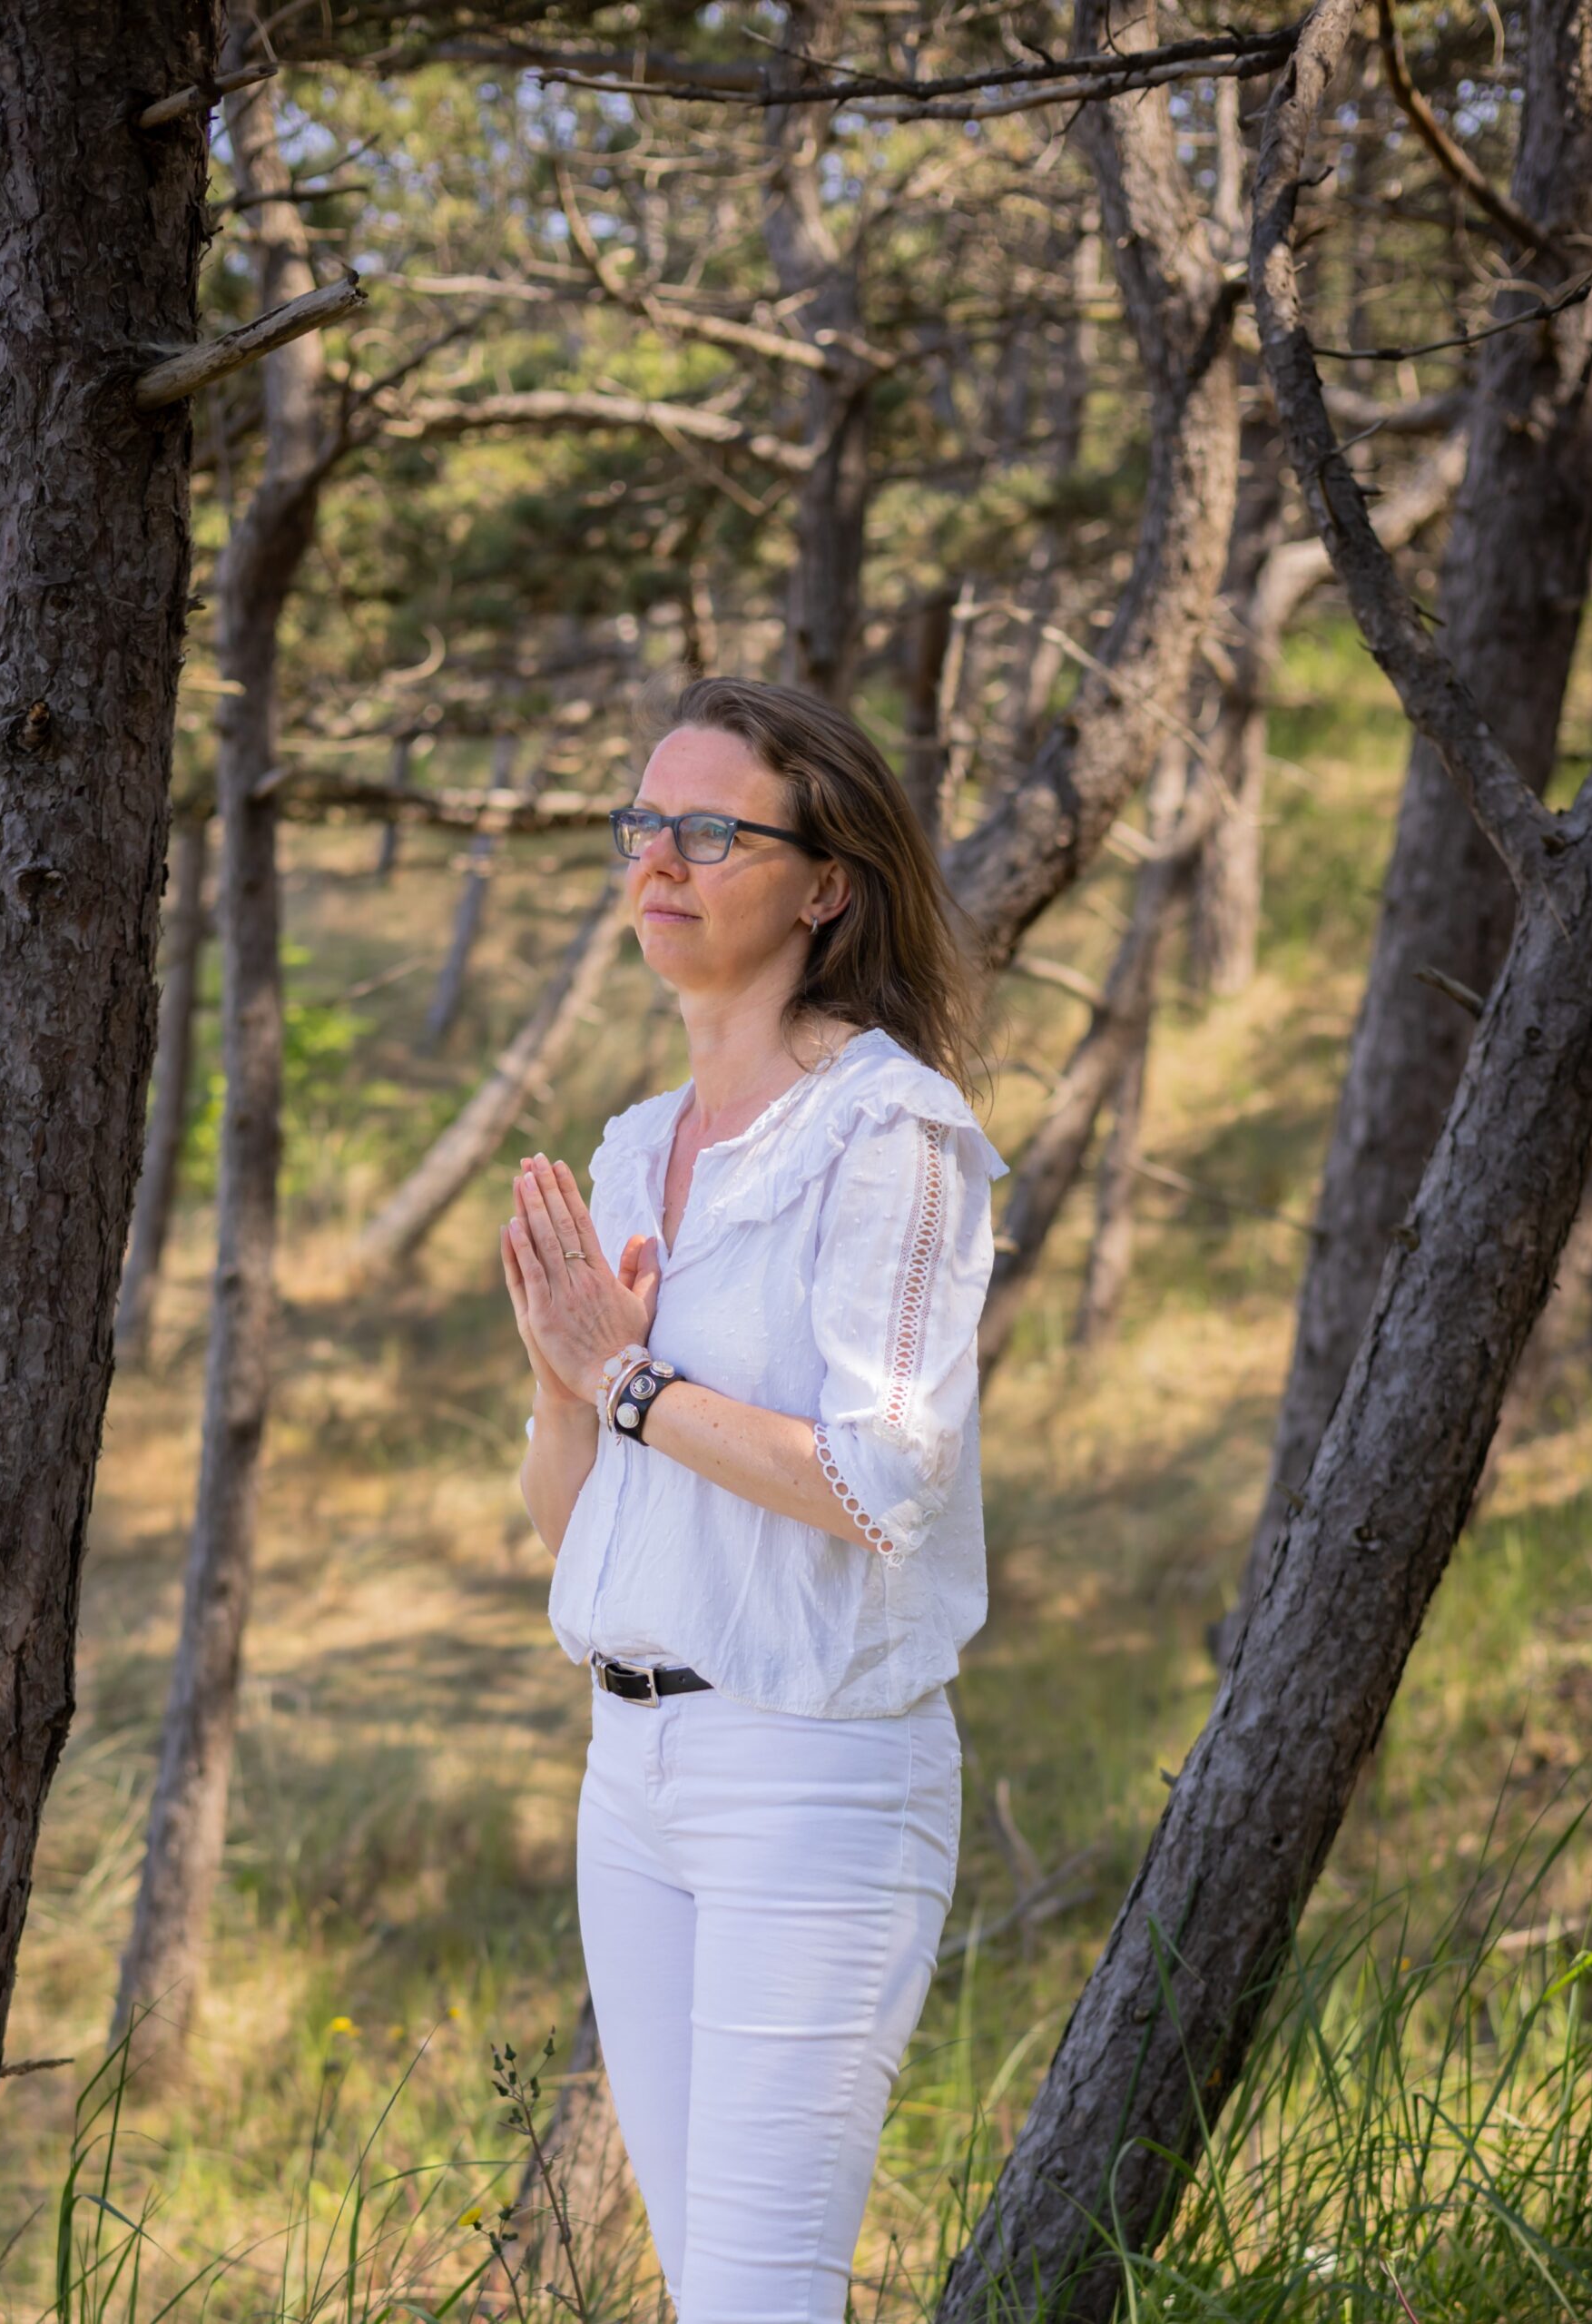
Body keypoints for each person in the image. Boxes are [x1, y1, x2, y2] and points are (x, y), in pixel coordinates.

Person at [498, 675, 1006, 2322]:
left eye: (710, 830)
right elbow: (573, 1528)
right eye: (644, 824)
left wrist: (633, 1382)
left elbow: (882, 1482)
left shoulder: (895, 1133)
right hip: (629, 1772)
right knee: (708, 2288)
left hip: (813, 1768)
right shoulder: (639, 1142)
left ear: (825, 880)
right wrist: (565, 1370)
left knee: (759, 2301)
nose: (660, 858)